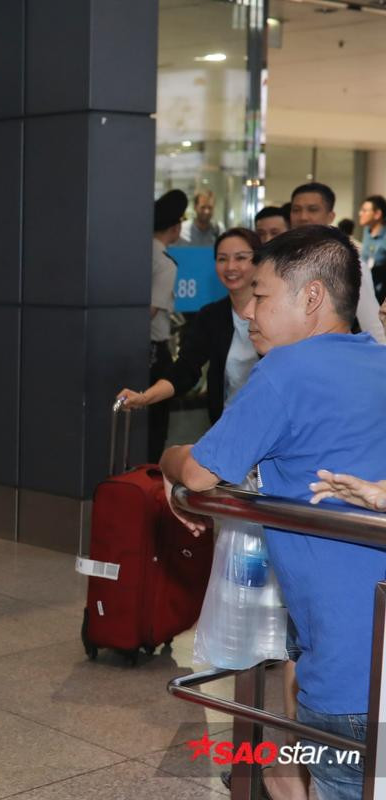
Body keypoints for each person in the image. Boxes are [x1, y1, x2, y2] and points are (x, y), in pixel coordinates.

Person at [161, 225, 386, 800]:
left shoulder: (287, 371)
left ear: (311, 297)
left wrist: (168, 457)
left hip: (346, 669)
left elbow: (198, 473)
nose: (250, 312)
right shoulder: (377, 361)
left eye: (262, 295)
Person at [117, 227, 260, 423]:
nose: (230, 267)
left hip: (275, 427)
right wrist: (145, 397)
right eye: (222, 259)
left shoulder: (277, 313)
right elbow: (185, 368)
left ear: (258, 261)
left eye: (241, 258)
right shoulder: (212, 316)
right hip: (228, 423)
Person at [290, 182, 386, 344]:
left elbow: (372, 323)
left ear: (330, 216)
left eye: (312, 209)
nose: (303, 217)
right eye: (296, 210)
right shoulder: (280, 259)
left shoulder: (347, 262)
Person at [148, 189, 188, 460]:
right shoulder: (165, 264)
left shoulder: (136, 252)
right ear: (175, 228)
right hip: (152, 351)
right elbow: (150, 311)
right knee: (154, 423)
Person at [357, 195, 386, 303]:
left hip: (379, 295)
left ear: (377, 214)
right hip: (364, 289)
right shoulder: (367, 230)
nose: (360, 213)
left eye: (365, 211)